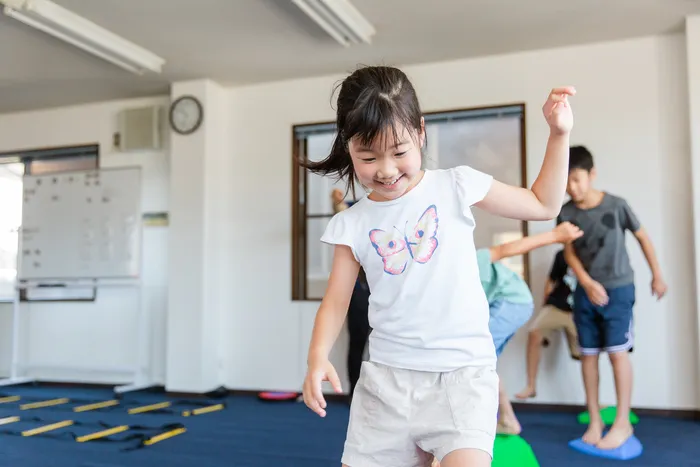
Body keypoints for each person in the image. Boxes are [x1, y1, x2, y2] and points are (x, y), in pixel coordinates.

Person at [301, 65, 575, 467]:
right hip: (387, 384)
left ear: (421, 132)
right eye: (368, 156)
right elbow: (336, 301)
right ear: (348, 147)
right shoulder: (351, 222)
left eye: (399, 152)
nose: (387, 170)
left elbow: (543, 205)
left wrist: (558, 134)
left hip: (462, 378)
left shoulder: (456, 185)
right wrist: (317, 356)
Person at [558, 145, 667, 450]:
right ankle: (594, 420)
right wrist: (587, 282)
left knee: (618, 353)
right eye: (566, 181)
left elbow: (643, 237)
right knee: (588, 356)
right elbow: (569, 252)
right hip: (585, 292)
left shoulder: (617, 205)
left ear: (592, 175)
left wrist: (657, 274)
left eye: (577, 179)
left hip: (619, 290)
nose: (572, 187)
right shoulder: (566, 212)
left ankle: (622, 423)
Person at [477, 221, 583, 436]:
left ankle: (495, 419)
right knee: (483, 362)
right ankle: (507, 419)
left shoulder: (466, 259)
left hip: (512, 301)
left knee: (476, 357)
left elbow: (505, 249)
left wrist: (554, 235)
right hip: (509, 304)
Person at [515, 248, 580, 401]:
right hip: (556, 305)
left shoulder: (593, 253)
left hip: (580, 311)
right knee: (534, 332)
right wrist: (545, 305)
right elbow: (550, 280)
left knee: (587, 355)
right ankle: (531, 386)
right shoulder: (562, 254)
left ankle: (595, 402)